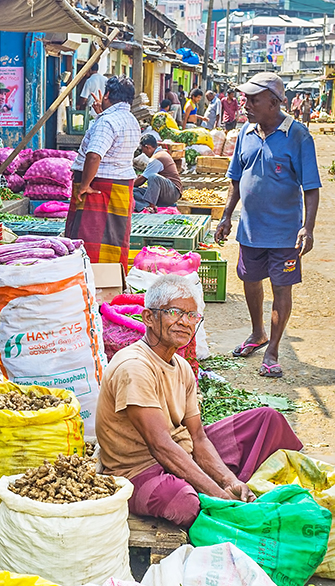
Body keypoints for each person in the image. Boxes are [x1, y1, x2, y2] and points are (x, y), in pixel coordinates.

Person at [96, 275, 303, 528]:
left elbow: (198, 437)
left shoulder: (181, 366)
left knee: (268, 420)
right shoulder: (134, 367)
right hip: (139, 470)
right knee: (181, 502)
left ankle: (232, 488)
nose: (185, 322)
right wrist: (218, 493)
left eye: (192, 316)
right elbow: (160, 446)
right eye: (175, 312)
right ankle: (215, 499)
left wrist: (229, 482)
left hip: (182, 452)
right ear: (148, 318)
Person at [216, 71, 321, 379]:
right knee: (250, 281)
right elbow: (236, 179)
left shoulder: (298, 136)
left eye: (253, 100)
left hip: (284, 232)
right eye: (245, 99)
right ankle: (257, 333)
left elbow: (311, 187)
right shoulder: (245, 134)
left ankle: (273, 349)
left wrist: (308, 227)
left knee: (281, 288)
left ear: (274, 103)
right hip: (250, 229)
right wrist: (225, 215)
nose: (245, 105)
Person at [64, 76, 141, 265]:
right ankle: (113, 278)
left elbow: (94, 156)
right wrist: (101, 114)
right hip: (121, 185)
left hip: (99, 185)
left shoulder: (107, 122)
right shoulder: (131, 120)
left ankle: (91, 278)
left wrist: (84, 185)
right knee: (115, 237)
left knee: (88, 238)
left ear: (107, 94)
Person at [133, 135, 182, 211]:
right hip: (165, 191)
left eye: (143, 150)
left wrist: (130, 183)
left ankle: (150, 206)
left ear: (148, 147)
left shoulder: (157, 158)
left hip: (172, 193)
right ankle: (146, 205)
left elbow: (142, 180)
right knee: (134, 192)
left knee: (153, 177)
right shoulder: (161, 153)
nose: (143, 153)